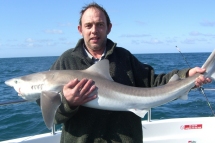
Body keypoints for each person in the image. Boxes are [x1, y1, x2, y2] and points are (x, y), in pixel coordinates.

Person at [50, 2, 211, 143]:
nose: (94, 30)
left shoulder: (124, 57)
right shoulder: (66, 62)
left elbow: (153, 82)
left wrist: (186, 75)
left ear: (109, 28)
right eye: (88, 25)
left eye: (100, 24)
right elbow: (53, 116)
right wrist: (68, 103)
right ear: (80, 29)